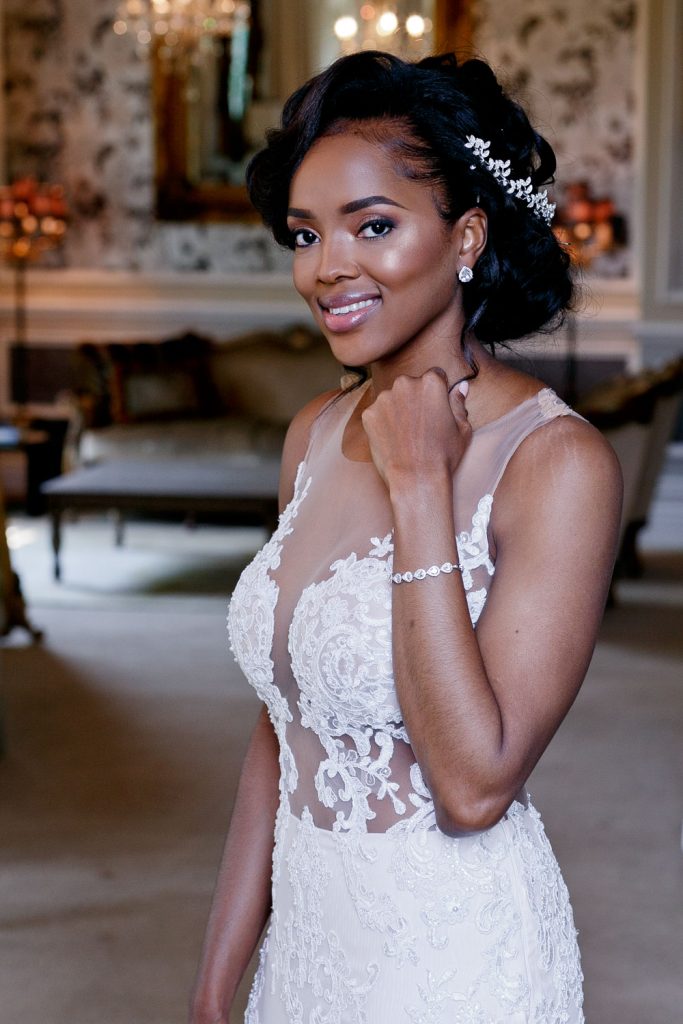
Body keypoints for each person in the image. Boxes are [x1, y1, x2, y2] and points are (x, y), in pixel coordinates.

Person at [190, 50, 622, 1024]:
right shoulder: (313, 432)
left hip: (450, 960)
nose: (326, 267)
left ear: (465, 235)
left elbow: (473, 784)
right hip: (305, 949)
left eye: (371, 226)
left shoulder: (555, 463)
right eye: (305, 234)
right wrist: (219, 981)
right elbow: (282, 714)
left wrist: (420, 483)